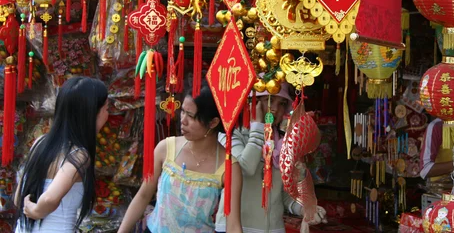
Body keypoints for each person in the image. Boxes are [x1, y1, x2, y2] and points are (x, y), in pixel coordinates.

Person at [118, 87, 243, 233]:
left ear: (213, 122)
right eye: (183, 111)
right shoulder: (165, 148)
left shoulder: (229, 167)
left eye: (191, 116)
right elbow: (143, 195)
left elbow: (233, 225)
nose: (183, 120)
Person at [215, 81, 326, 233]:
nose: (275, 108)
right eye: (269, 100)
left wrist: (305, 209)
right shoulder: (231, 134)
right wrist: (258, 127)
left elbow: (283, 195)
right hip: (236, 228)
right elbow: (245, 168)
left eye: (281, 103)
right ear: (253, 103)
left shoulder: (281, 142)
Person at [15, 77, 109, 232]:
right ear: (91, 113)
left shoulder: (40, 142)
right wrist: (37, 211)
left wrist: (32, 210)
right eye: (106, 109)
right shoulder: (79, 155)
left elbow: (19, 197)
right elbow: (50, 198)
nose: (107, 114)